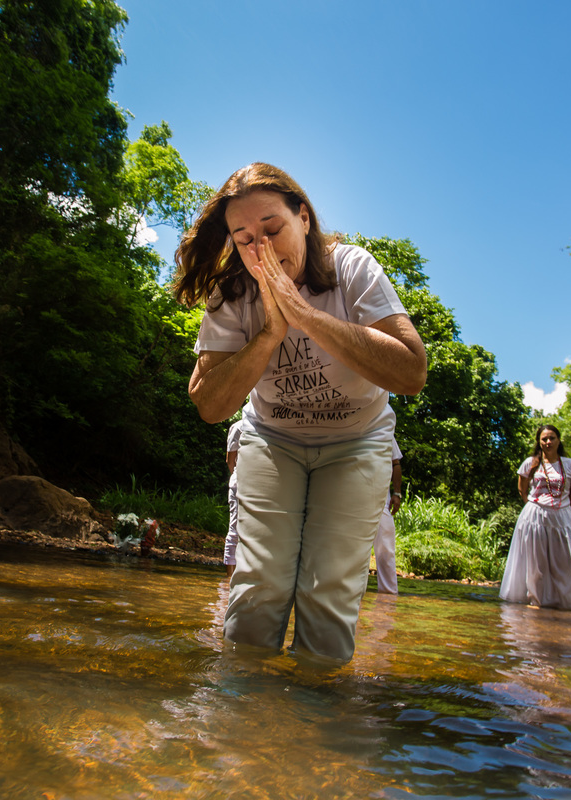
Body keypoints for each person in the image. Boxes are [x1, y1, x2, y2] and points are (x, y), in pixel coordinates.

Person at [173, 162, 427, 661]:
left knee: (327, 591)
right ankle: (240, 715)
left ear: (304, 218)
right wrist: (269, 332)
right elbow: (209, 404)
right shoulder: (232, 294)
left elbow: (411, 373)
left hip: (357, 442)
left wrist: (304, 315)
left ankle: (313, 725)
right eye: (243, 238)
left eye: (272, 228)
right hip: (273, 440)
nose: (260, 248)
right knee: (259, 585)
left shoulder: (351, 268)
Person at [499, 425, 571, 611]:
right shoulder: (530, 463)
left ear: (559, 440)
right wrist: (532, 506)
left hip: (562, 519)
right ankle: (536, 601)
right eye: (544, 439)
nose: (548, 442)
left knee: (564, 563)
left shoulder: (570, 465)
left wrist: (560, 507)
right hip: (535, 518)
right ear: (539, 442)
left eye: (552, 438)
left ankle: (563, 603)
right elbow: (522, 489)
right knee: (535, 563)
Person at [373, 438, 404, 594]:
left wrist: (397, 493)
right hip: (353, 502)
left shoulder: (385, 430)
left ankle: (388, 598)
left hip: (381, 502)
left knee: (386, 551)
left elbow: (395, 463)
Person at [224, 420, 242, 578]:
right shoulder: (237, 427)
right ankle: (230, 578)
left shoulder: (267, 424)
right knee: (234, 530)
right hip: (239, 484)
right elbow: (230, 460)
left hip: (259, 486)